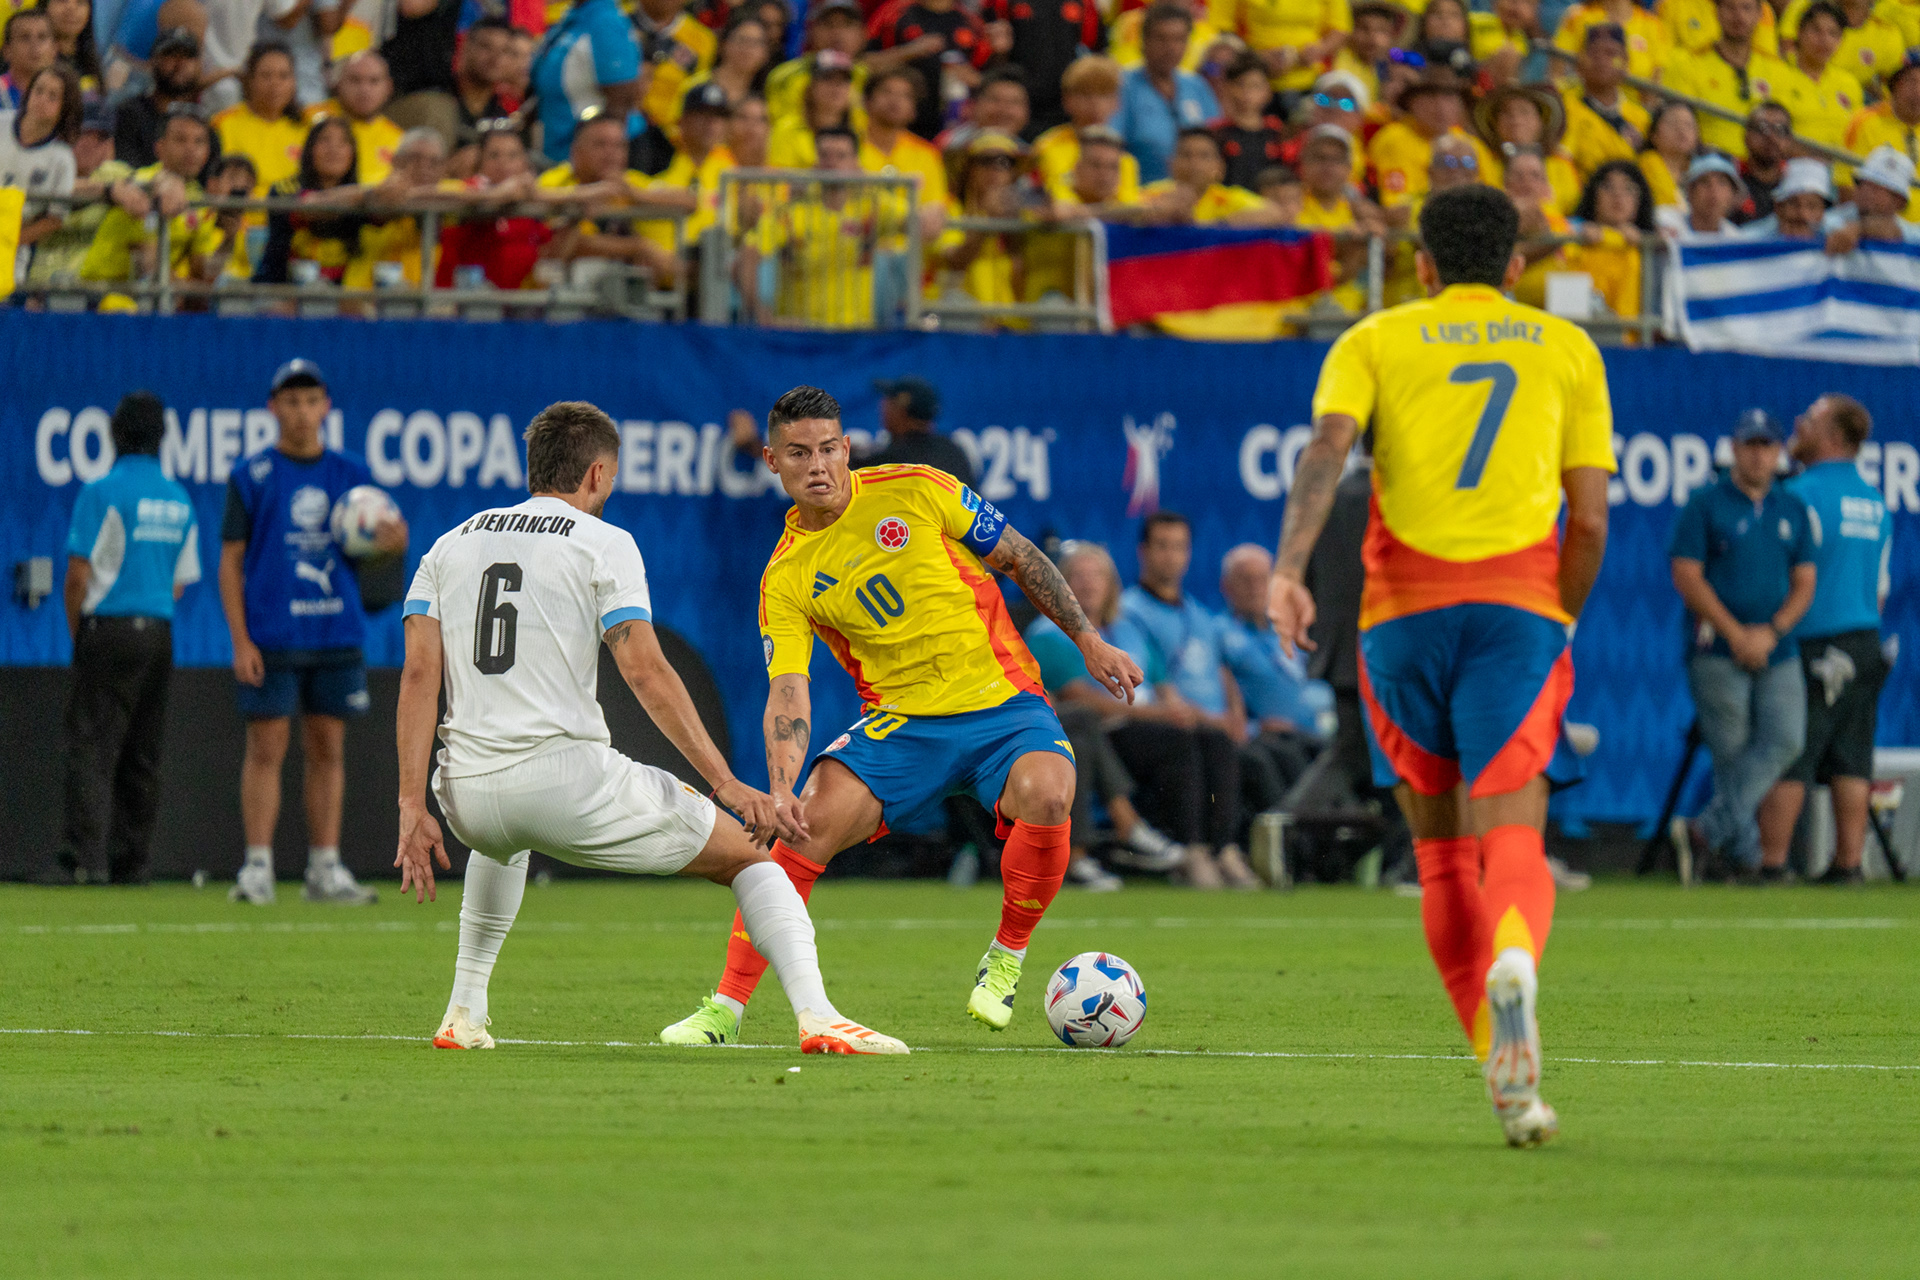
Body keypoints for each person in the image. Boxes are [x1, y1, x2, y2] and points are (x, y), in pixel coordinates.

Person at [392, 399, 904, 1056]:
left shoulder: (449, 543)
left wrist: (412, 804)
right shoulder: (603, 542)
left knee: (499, 844)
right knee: (754, 860)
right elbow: (646, 671)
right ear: (599, 474)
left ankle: (463, 1012)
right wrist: (724, 782)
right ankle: (818, 1015)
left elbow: (416, 678)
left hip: (463, 793)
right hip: (563, 785)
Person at [1269, 183, 1615, 1146]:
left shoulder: (1374, 339)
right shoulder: (1567, 348)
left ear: (1420, 264)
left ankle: (1505, 1079)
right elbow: (1587, 519)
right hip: (1514, 612)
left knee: (1437, 854)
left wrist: (1291, 571)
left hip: (1400, 621)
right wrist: (1560, 620)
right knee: (1513, 830)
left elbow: (1326, 450)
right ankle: (1517, 959)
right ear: (1516, 266)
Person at [656, 385, 1144, 1045]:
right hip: (902, 724)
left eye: (829, 448)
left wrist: (1088, 639)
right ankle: (725, 1009)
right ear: (772, 462)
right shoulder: (788, 575)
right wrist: (779, 786)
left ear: (848, 448)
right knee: (798, 835)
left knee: (1051, 793)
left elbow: (1020, 557)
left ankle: (1007, 953)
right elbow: (790, 692)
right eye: (799, 454)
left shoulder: (916, 487)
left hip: (1000, 701)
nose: (818, 465)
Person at [221, 359, 409, 906]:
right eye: (290, 401)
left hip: (335, 633)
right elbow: (230, 563)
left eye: (311, 400)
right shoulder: (251, 475)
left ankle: (324, 869)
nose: (301, 411)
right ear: (272, 408)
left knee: (328, 748)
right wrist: (240, 639)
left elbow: (380, 550)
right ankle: (257, 868)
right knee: (266, 748)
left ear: (326, 407)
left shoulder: (352, 474)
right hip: (273, 634)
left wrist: (394, 541)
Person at [45, 393, 200, 886]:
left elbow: (76, 576)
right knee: (143, 752)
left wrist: (80, 635)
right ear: (162, 438)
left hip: (108, 628)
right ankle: (131, 864)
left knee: (92, 746)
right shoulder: (178, 498)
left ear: (114, 434)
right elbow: (179, 581)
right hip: (160, 631)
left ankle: (81, 861)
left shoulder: (101, 492)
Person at [1667, 409, 1815, 884]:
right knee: (1731, 751)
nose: (1758, 454)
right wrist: (1735, 632)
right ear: (1734, 448)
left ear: (1778, 452)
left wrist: (1770, 631)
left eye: (1766, 446)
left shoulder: (1791, 508)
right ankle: (1746, 860)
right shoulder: (1706, 504)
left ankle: (1705, 833)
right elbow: (1687, 576)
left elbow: (1805, 582)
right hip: (1716, 646)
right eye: (1749, 444)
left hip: (1778, 647)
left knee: (1786, 739)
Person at [1758, 396, 1892, 884]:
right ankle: (1848, 864)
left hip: (1810, 641)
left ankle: (1772, 863)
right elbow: (1879, 590)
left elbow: (1778, 575)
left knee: (1792, 752)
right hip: (1864, 640)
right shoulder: (1875, 503)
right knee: (1853, 758)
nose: (1797, 423)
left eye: (1809, 420)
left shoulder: (1798, 495)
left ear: (1833, 437)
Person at [1022, 540, 1188, 884]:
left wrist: (1189, 715)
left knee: (1202, 738)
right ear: (1059, 586)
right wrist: (1161, 715)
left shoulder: (1131, 629)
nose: (1088, 583)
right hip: (1097, 728)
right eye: (1077, 576)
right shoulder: (1047, 633)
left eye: (1096, 575)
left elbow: (1165, 688)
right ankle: (1126, 829)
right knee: (1082, 722)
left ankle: (1203, 849)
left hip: (1113, 729)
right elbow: (1076, 698)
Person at [1122, 511, 1263, 889]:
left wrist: (1234, 712)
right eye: (1162, 546)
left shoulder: (1199, 613)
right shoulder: (1129, 611)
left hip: (1210, 724)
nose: (1171, 556)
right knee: (1195, 741)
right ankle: (1194, 850)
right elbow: (1149, 677)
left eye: (1179, 547)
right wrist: (1205, 718)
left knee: (1227, 744)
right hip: (1159, 722)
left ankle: (1226, 849)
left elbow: (1222, 669)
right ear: (1143, 552)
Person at [1219, 543, 1326, 803]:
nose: (1256, 587)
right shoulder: (1220, 634)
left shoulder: (1290, 632)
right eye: (1245, 580)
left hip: (1317, 732)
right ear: (1227, 587)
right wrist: (1254, 727)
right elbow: (1218, 697)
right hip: (1271, 739)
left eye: (1262, 579)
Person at [80, 105, 231, 286]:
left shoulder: (199, 200)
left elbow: (202, 273)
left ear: (207, 152)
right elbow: (148, 266)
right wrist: (191, 289)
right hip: (102, 293)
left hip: (153, 296)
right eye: (181, 140)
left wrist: (229, 237)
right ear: (159, 148)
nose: (191, 149)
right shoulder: (141, 186)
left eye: (199, 142)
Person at [1658, 0, 1800, 159]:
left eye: (1746, 8)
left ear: (1759, 14)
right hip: (1708, 164)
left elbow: (1787, 132)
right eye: (1730, 7)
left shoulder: (1778, 70)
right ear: (1716, 12)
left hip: (1764, 167)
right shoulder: (1689, 65)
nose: (1738, 16)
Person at [253, 115, 372, 284]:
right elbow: (309, 208)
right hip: (282, 290)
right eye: (324, 141)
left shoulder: (363, 196)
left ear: (353, 154)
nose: (334, 150)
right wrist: (365, 195)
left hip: (344, 298)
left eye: (343, 143)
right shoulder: (283, 189)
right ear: (309, 150)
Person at [1112, 2, 1219, 184]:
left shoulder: (1197, 86)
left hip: (1197, 195)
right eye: (1161, 38)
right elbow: (1112, 147)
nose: (1171, 47)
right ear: (1144, 40)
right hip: (1141, 195)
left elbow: (1216, 142)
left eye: (1179, 39)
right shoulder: (1122, 86)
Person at [529, 0, 642, 165]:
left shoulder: (605, 21)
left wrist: (602, 163)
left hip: (592, 161)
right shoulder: (576, 15)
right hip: (560, 152)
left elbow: (620, 99)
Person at [865, 0, 995, 140]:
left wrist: (972, 78)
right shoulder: (894, 12)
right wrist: (910, 50)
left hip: (954, 124)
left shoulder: (972, 21)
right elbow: (864, 62)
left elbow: (989, 79)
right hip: (899, 117)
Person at [0, 62, 79, 276]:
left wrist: (9, 239)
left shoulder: (62, 159)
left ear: (65, 108)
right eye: (39, 90)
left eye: (53, 96)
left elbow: (54, 219)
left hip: (11, 253)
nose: (42, 99)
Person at [981, 0, 1106, 135]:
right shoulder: (1002, 2)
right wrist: (998, 52)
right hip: (1018, 107)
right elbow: (988, 48)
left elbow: (1095, 48)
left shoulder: (1085, 3)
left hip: (1065, 106)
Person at [212, 41, 307, 196]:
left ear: (294, 82)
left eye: (283, 76)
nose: (275, 84)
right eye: (266, 75)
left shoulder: (306, 126)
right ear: (250, 80)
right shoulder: (223, 123)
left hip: (291, 217)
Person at [1568, 157, 1653, 320]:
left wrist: (1642, 243)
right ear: (1594, 196)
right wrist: (1578, 231)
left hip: (1633, 339)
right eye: (1608, 187)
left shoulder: (1651, 242)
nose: (1617, 195)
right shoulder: (1573, 230)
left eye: (1628, 189)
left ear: (1639, 202)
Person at [1562, 23, 1646, 183]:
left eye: (1611, 53)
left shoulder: (1641, 119)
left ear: (1626, 63)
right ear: (1579, 62)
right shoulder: (1563, 108)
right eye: (1593, 53)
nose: (1601, 60)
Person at [857, 375, 975, 485]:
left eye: (889, 401)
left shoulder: (890, 462)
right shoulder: (951, 450)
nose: (882, 405)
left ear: (901, 411)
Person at [1844, 51, 1919, 221]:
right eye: (1912, 82)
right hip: (1880, 233)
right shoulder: (1865, 121)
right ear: (1895, 85)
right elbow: (1847, 186)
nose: (1918, 91)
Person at [113, 26, 201, 169]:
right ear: (153, 60)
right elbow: (125, 172)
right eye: (171, 55)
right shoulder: (129, 114)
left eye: (188, 56)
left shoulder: (201, 120)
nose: (180, 63)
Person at [1781, 1, 1864, 151]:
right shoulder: (1778, 74)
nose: (1824, 40)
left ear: (1840, 40)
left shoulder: (1849, 83)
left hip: (1840, 167)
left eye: (1833, 33)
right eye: (1816, 30)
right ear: (1799, 32)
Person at [1210, 52, 1285, 192]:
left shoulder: (1278, 131)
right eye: (1240, 84)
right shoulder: (1216, 132)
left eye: (1255, 86)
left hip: (1268, 209)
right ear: (1227, 88)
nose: (1247, 93)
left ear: (1267, 91)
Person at [1824, 146, 1920, 248]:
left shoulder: (1911, 235)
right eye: (1861, 183)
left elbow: (1898, 232)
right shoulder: (1829, 220)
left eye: (1876, 188)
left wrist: (1861, 228)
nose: (1866, 191)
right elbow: (1822, 225)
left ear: (1900, 201)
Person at [1655, 149, 1744, 236]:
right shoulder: (1664, 221)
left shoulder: (1736, 239)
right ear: (1689, 191)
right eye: (1704, 182)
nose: (1714, 191)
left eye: (1722, 183)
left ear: (1733, 195)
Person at [1733, 102, 1793, 224]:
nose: (1771, 137)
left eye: (1780, 130)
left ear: (1789, 140)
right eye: (1762, 128)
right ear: (1746, 136)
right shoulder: (1730, 177)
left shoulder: (1797, 181)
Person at [1738, 155, 1828, 236]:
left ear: (1822, 212)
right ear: (1778, 207)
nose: (1803, 214)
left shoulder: (1834, 243)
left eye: (1812, 206)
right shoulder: (1745, 239)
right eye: (1794, 204)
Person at [1636, 99, 1697, 212]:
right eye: (1672, 123)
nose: (1681, 129)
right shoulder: (1648, 162)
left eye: (1688, 124)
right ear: (1654, 135)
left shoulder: (1698, 172)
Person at [0, 9, 57, 110]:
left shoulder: (68, 95)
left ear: (54, 49)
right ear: (6, 50)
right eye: (24, 37)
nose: (35, 46)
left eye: (42, 37)